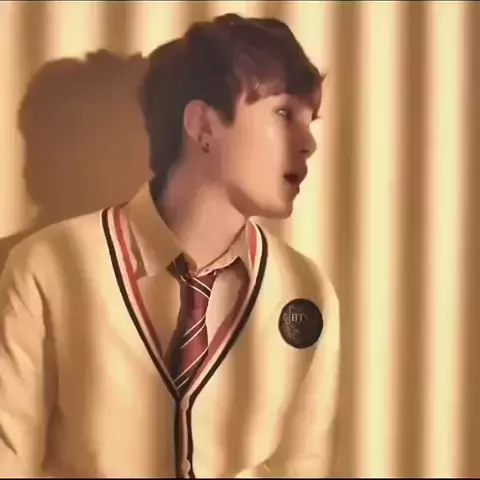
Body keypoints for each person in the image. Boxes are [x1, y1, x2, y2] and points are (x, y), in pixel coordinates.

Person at [0, 12, 340, 478]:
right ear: (202, 125)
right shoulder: (48, 270)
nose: (309, 144)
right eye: (283, 113)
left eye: (310, 120)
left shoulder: (305, 293)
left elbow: (304, 468)